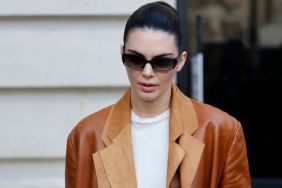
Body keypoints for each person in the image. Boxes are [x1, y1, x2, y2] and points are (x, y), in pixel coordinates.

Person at [65, 1, 251, 188]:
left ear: (180, 61)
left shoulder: (222, 132)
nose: (147, 72)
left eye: (161, 62)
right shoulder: (85, 137)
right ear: (122, 54)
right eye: (135, 59)